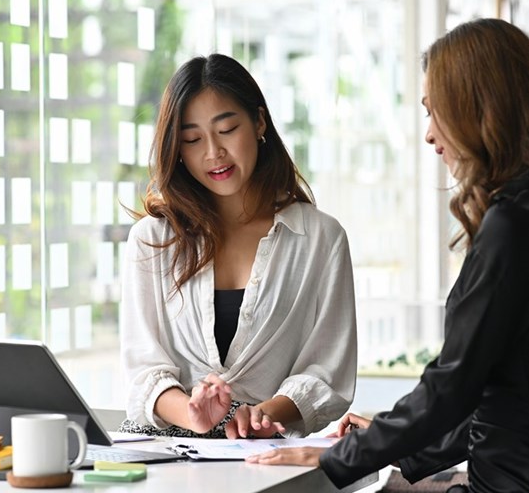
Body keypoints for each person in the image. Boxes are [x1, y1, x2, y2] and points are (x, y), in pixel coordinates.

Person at [247, 18, 529, 493]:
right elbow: (502, 394)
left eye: (435, 111)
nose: (429, 135)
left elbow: (453, 384)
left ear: (479, 107)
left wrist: (339, 458)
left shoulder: (513, 225)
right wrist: (386, 439)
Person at [119, 53, 358, 443]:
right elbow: (143, 368)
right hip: (164, 457)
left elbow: (326, 372)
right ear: (176, 149)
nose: (213, 152)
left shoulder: (320, 239)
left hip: (264, 456)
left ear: (259, 122)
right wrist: (194, 414)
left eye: (227, 129)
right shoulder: (152, 240)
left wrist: (259, 414)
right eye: (192, 139)